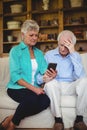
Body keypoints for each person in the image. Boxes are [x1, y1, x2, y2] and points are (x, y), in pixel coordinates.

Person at [0, 19, 50, 130]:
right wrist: (34, 89)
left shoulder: (39, 53)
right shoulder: (15, 51)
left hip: (33, 89)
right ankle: (13, 126)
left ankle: (11, 119)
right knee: (32, 98)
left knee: (46, 100)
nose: (34, 38)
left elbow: (44, 71)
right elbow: (15, 76)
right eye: (31, 35)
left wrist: (51, 74)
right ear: (23, 35)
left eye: (36, 35)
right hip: (17, 88)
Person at [37, 30, 87, 130]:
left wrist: (72, 52)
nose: (63, 49)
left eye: (67, 46)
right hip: (55, 85)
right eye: (61, 45)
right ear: (58, 42)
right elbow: (38, 77)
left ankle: (79, 119)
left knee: (85, 81)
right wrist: (45, 78)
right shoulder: (49, 55)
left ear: (72, 45)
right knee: (51, 84)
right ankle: (58, 120)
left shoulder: (75, 55)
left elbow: (81, 76)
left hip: (70, 86)